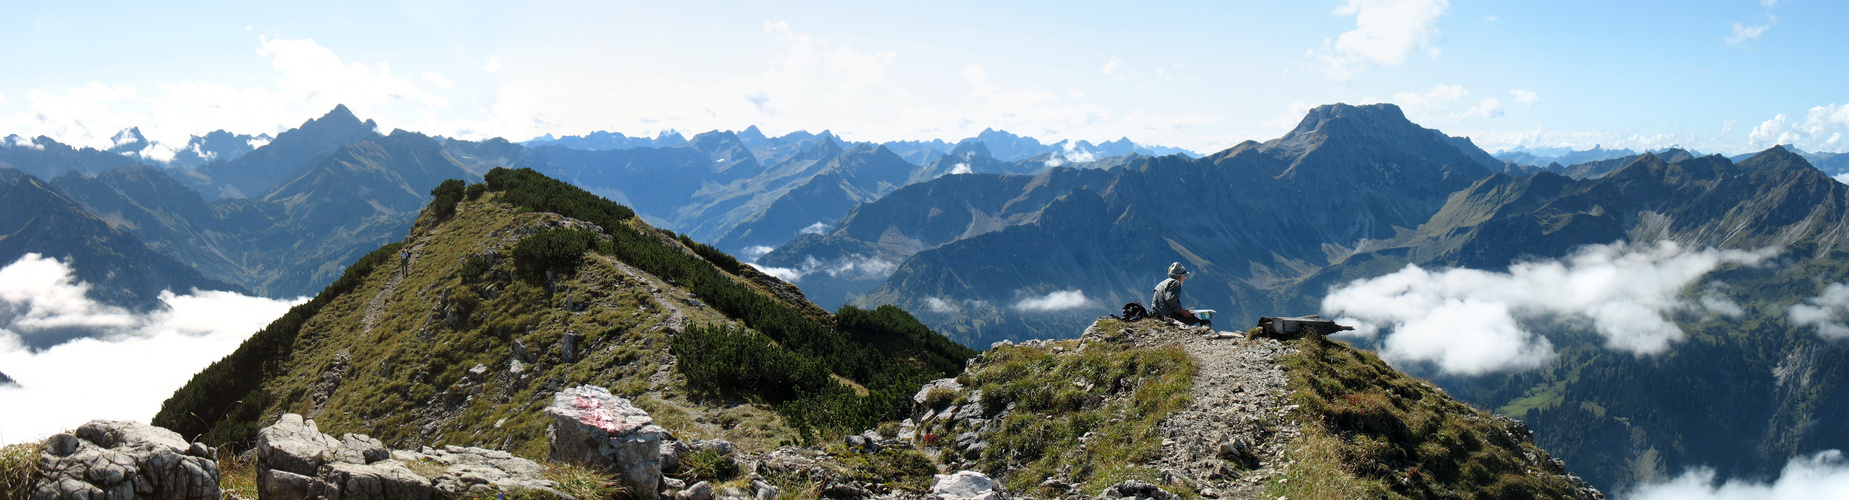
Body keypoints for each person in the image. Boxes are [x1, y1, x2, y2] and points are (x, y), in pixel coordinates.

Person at [1151, 262, 1208, 327]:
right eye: (1185, 276)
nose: (1185, 278)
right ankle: (1211, 335)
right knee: (1204, 318)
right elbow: (1170, 299)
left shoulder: (1162, 284)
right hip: (1168, 316)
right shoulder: (1176, 283)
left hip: (1156, 315)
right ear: (1180, 277)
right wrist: (1182, 311)